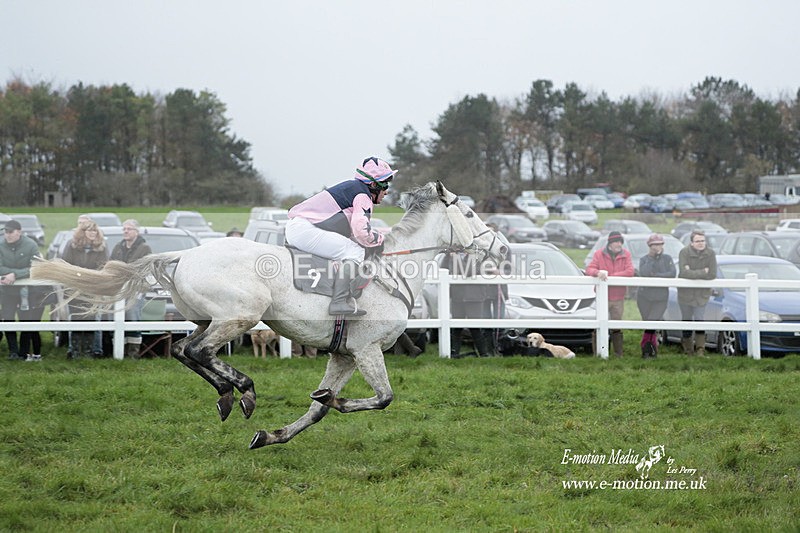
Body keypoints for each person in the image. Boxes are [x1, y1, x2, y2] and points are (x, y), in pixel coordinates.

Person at [286, 156, 396, 316]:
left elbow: (351, 231)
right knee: (355, 252)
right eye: (385, 185)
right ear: (373, 185)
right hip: (304, 230)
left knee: (349, 248)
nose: (386, 191)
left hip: (299, 228)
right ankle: (338, 302)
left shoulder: (352, 188)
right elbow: (361, 231)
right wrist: (379, 239)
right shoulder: (363, 196)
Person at [61, 220, 108, 358]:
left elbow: (104, 266)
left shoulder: (102, 247)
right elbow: (66, 264)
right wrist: (78, 275)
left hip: (93, 289)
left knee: (91, 319)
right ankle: (75, 351)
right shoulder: (72, 245)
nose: (92, 233)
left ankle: (88, 352)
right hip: (74, 288)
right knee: (76, 318)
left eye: (94, 231)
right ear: (83, 232)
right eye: (89, 230)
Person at [586, 231, 635, 357]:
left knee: (617, 326)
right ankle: (598, 353)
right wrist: (597, 273)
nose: (619, 244)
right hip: (602, 296)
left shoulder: (626, 254)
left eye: (620, 242)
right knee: (599, 325)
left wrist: (610, 277)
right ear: (610, 243)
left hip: (618, 297)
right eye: (616, 242)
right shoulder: (599, 254)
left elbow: (630, 271)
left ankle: (619, 354)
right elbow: (589, 269)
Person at [110, 219, 152, 358]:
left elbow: (144, 269)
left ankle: (133, 353)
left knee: (133, 319)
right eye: (124, 229)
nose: (126, 231)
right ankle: (118, 351)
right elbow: (111, 265)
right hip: (118, 290)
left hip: (136, 290)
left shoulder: (144, 248)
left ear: (136, 232)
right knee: (117, 320)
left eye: (129, 229)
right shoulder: (118, 247)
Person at [0, 219, 42, 360]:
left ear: (19, 232)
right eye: (6, 232)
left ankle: (23, 353)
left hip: (27, 292)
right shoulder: (0, 245)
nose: (8, 235)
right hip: (7, 292)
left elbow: (36, 266)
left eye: (11, 232)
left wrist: (15, 275)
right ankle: (13, 351)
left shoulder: (31, 245)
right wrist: (11, 274)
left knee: (26, 320)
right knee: (8, 319)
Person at [444, 251, 496, 358]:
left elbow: (468, 272)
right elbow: (444, 270)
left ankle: (483, 353)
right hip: (457, 296)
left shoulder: (478, 256)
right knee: (456, 327)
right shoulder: (451, 256)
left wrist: (456, 259)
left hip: (474, 297)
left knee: (475, 327)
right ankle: (454, 353)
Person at [636, 234, 676, 358]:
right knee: (649, 323)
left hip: (661, 297)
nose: (658, 246)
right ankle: (652, 349)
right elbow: (645, 273)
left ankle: (645, 346)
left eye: (660, 244)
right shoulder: (644, 259)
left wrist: (657, 275)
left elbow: (672, 273)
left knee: (652, 321)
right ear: (650, 246)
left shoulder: (667, 258)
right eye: (655, 244)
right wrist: (652, 258)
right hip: (645, 297)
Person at [678, 229, 717, 356]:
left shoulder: (711, 253)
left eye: (703, 241)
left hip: (702, 294)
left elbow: (712, 274)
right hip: (685, 295)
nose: (701, 243)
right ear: (692, 242)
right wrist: (702, 272)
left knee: (700, 320)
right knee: (687, 320)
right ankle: (688, 350)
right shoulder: (684, 252)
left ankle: (700, 349)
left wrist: (693, 272)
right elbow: (683, 273)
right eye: (698, 241)